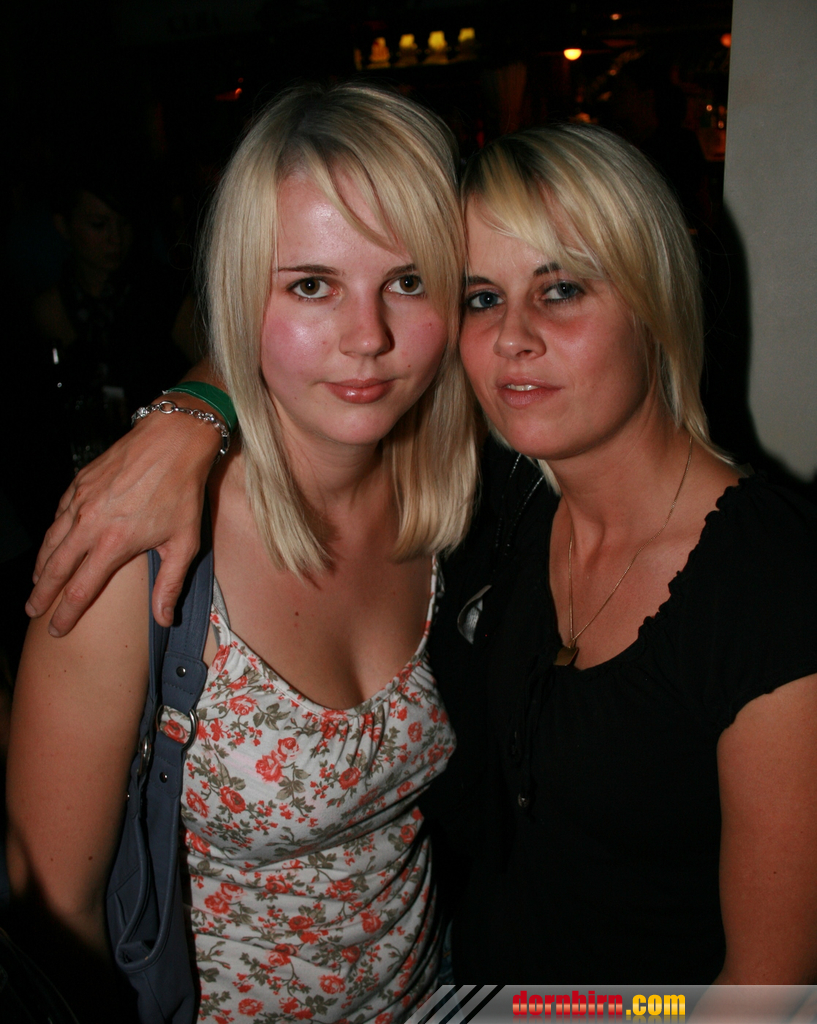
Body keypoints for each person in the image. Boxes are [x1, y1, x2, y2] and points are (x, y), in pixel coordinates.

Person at [20, 122, 817, 987]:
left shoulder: (745, 571)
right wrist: (191, 412)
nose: (512, 337)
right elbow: (51, 916)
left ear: (655, 295)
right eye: (481, 297)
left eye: (560, 290)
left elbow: (767, 993)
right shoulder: (494, 499)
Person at [6, 82, 477, 1022]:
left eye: (407, 280)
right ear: (238, 290)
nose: (368, 338)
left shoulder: (464, 503)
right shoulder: (139, 553)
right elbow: (50, 917)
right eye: (310, 285)